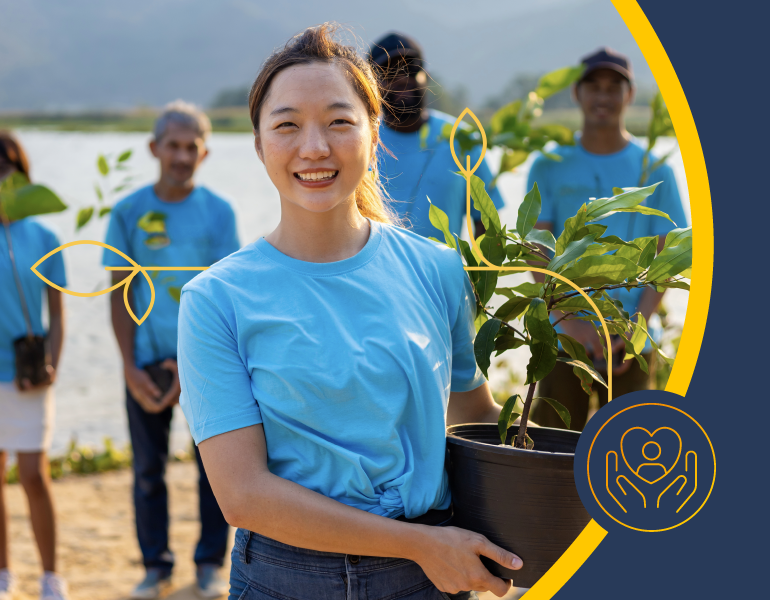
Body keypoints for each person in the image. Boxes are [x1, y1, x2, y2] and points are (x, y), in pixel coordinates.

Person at [177, 24, 523, 600]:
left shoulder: (436, 269)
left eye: (339, 121)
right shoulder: (217, 300)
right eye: (287, 125)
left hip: (430, 575)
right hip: (286, 578)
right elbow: (243, 494)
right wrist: (418, 545)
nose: (314, 147)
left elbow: (470, 419)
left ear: (374, 130)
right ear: (260, 144)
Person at [103, 102, 239, 599]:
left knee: (215, 468)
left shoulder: (219, 213)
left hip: (204, 364)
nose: (181, 156)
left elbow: (226, 298)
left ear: (204, 153)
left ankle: (209, 565)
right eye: (173, 146)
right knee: (146, 471)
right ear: (154, 148)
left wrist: (190, 366)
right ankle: (155, 567)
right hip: (143, 362)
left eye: (191, 147)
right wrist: (127, 368)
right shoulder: (129, 212)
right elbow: (119, 294)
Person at [527, 48, 688, 431]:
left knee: (634, 456)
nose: (603, 96)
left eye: (614, 87)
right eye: (593, 86)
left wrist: (638, 324)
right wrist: (572, 323)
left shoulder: (654, 167)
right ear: (577, 94)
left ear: (629, 95)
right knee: (551, 454)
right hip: (566, 337)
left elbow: (669, 256)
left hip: (633, 343)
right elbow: (536, 248)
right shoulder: (550, 164)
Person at [0, 132, 69, 600]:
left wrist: (53, 366)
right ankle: (3, 573)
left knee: (32, 475)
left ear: (22, 169)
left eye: (9, 163)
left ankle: (50, 576)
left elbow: (59, 314)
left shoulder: (45, 235)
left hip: (29, 375)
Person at [368, 32, 505, 239]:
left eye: (411, 69)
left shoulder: (460, 138)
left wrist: (482, 271)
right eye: (388, 72)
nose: (402, 80)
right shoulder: (361, 141)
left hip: (445, 273)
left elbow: (487, 223)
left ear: (426, 75)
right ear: (369, 84)